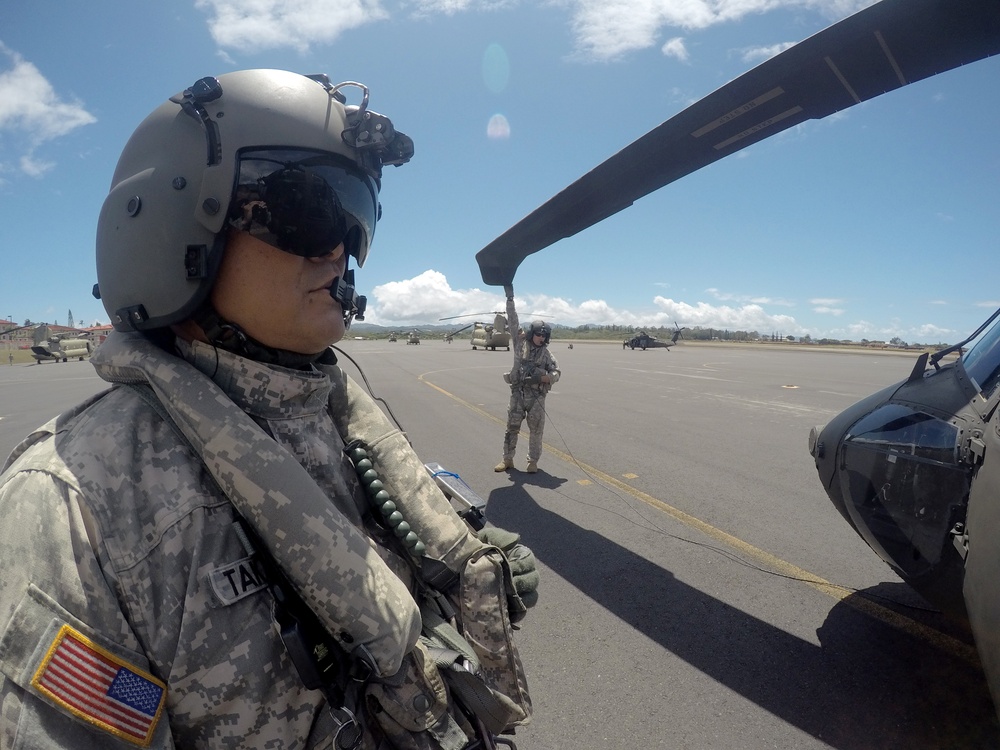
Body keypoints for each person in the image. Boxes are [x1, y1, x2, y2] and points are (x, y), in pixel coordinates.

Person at [0, 69, 538, 749]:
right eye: (308, 210)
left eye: (354, 220)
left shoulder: (331, 414)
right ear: (175, 226)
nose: (340, 249)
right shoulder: (75, 506)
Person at [494, 287, 561, 474]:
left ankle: (533, 462)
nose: (542, 338)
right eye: (539, 334)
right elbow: (513, 319)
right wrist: (510, 299)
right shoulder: (520, 343)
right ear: (532, 333)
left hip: (536, 398)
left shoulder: (547, 354)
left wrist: (545, 377)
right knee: (512, 427)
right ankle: (507, 459)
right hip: (518, 393)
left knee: (536, 431)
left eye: (544, 335)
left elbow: (557, 372)